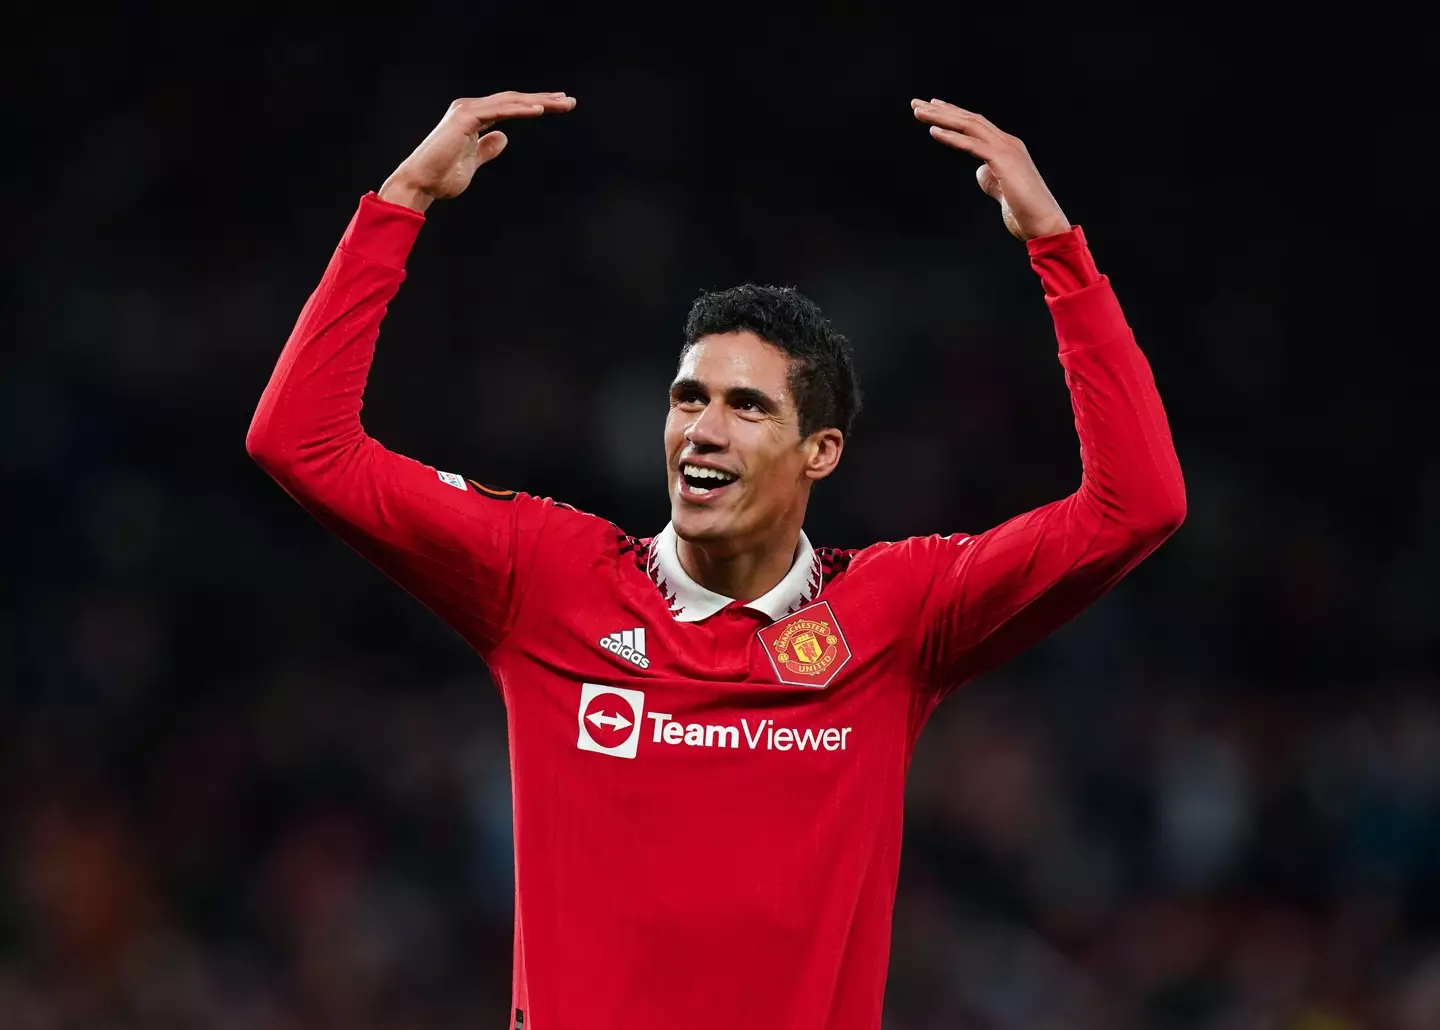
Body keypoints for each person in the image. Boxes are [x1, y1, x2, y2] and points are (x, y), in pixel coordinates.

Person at [247, 89, 1185, 1030]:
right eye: (688, 397)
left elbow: (1137, 505)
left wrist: (1058, 250)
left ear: (820, 451)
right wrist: (402, 201)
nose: (703, 429)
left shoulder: (900, 614)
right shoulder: (546, 577)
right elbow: (301, 444)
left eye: (747, 407)